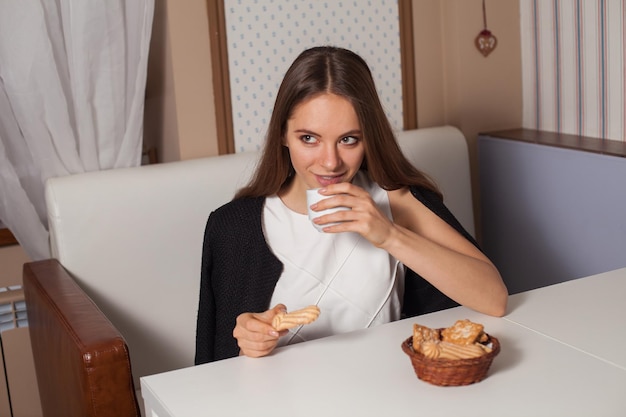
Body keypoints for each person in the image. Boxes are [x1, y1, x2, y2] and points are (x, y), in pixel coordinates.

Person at [195, 46, 507, 365]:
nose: (330, 163)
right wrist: (248, 339)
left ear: (369, 139)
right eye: (309, 139)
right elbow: (217, 359)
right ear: (283, 135)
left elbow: (494, 299)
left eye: (348, 140)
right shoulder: (233, 228)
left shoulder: (397, 201)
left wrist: (389, 235)